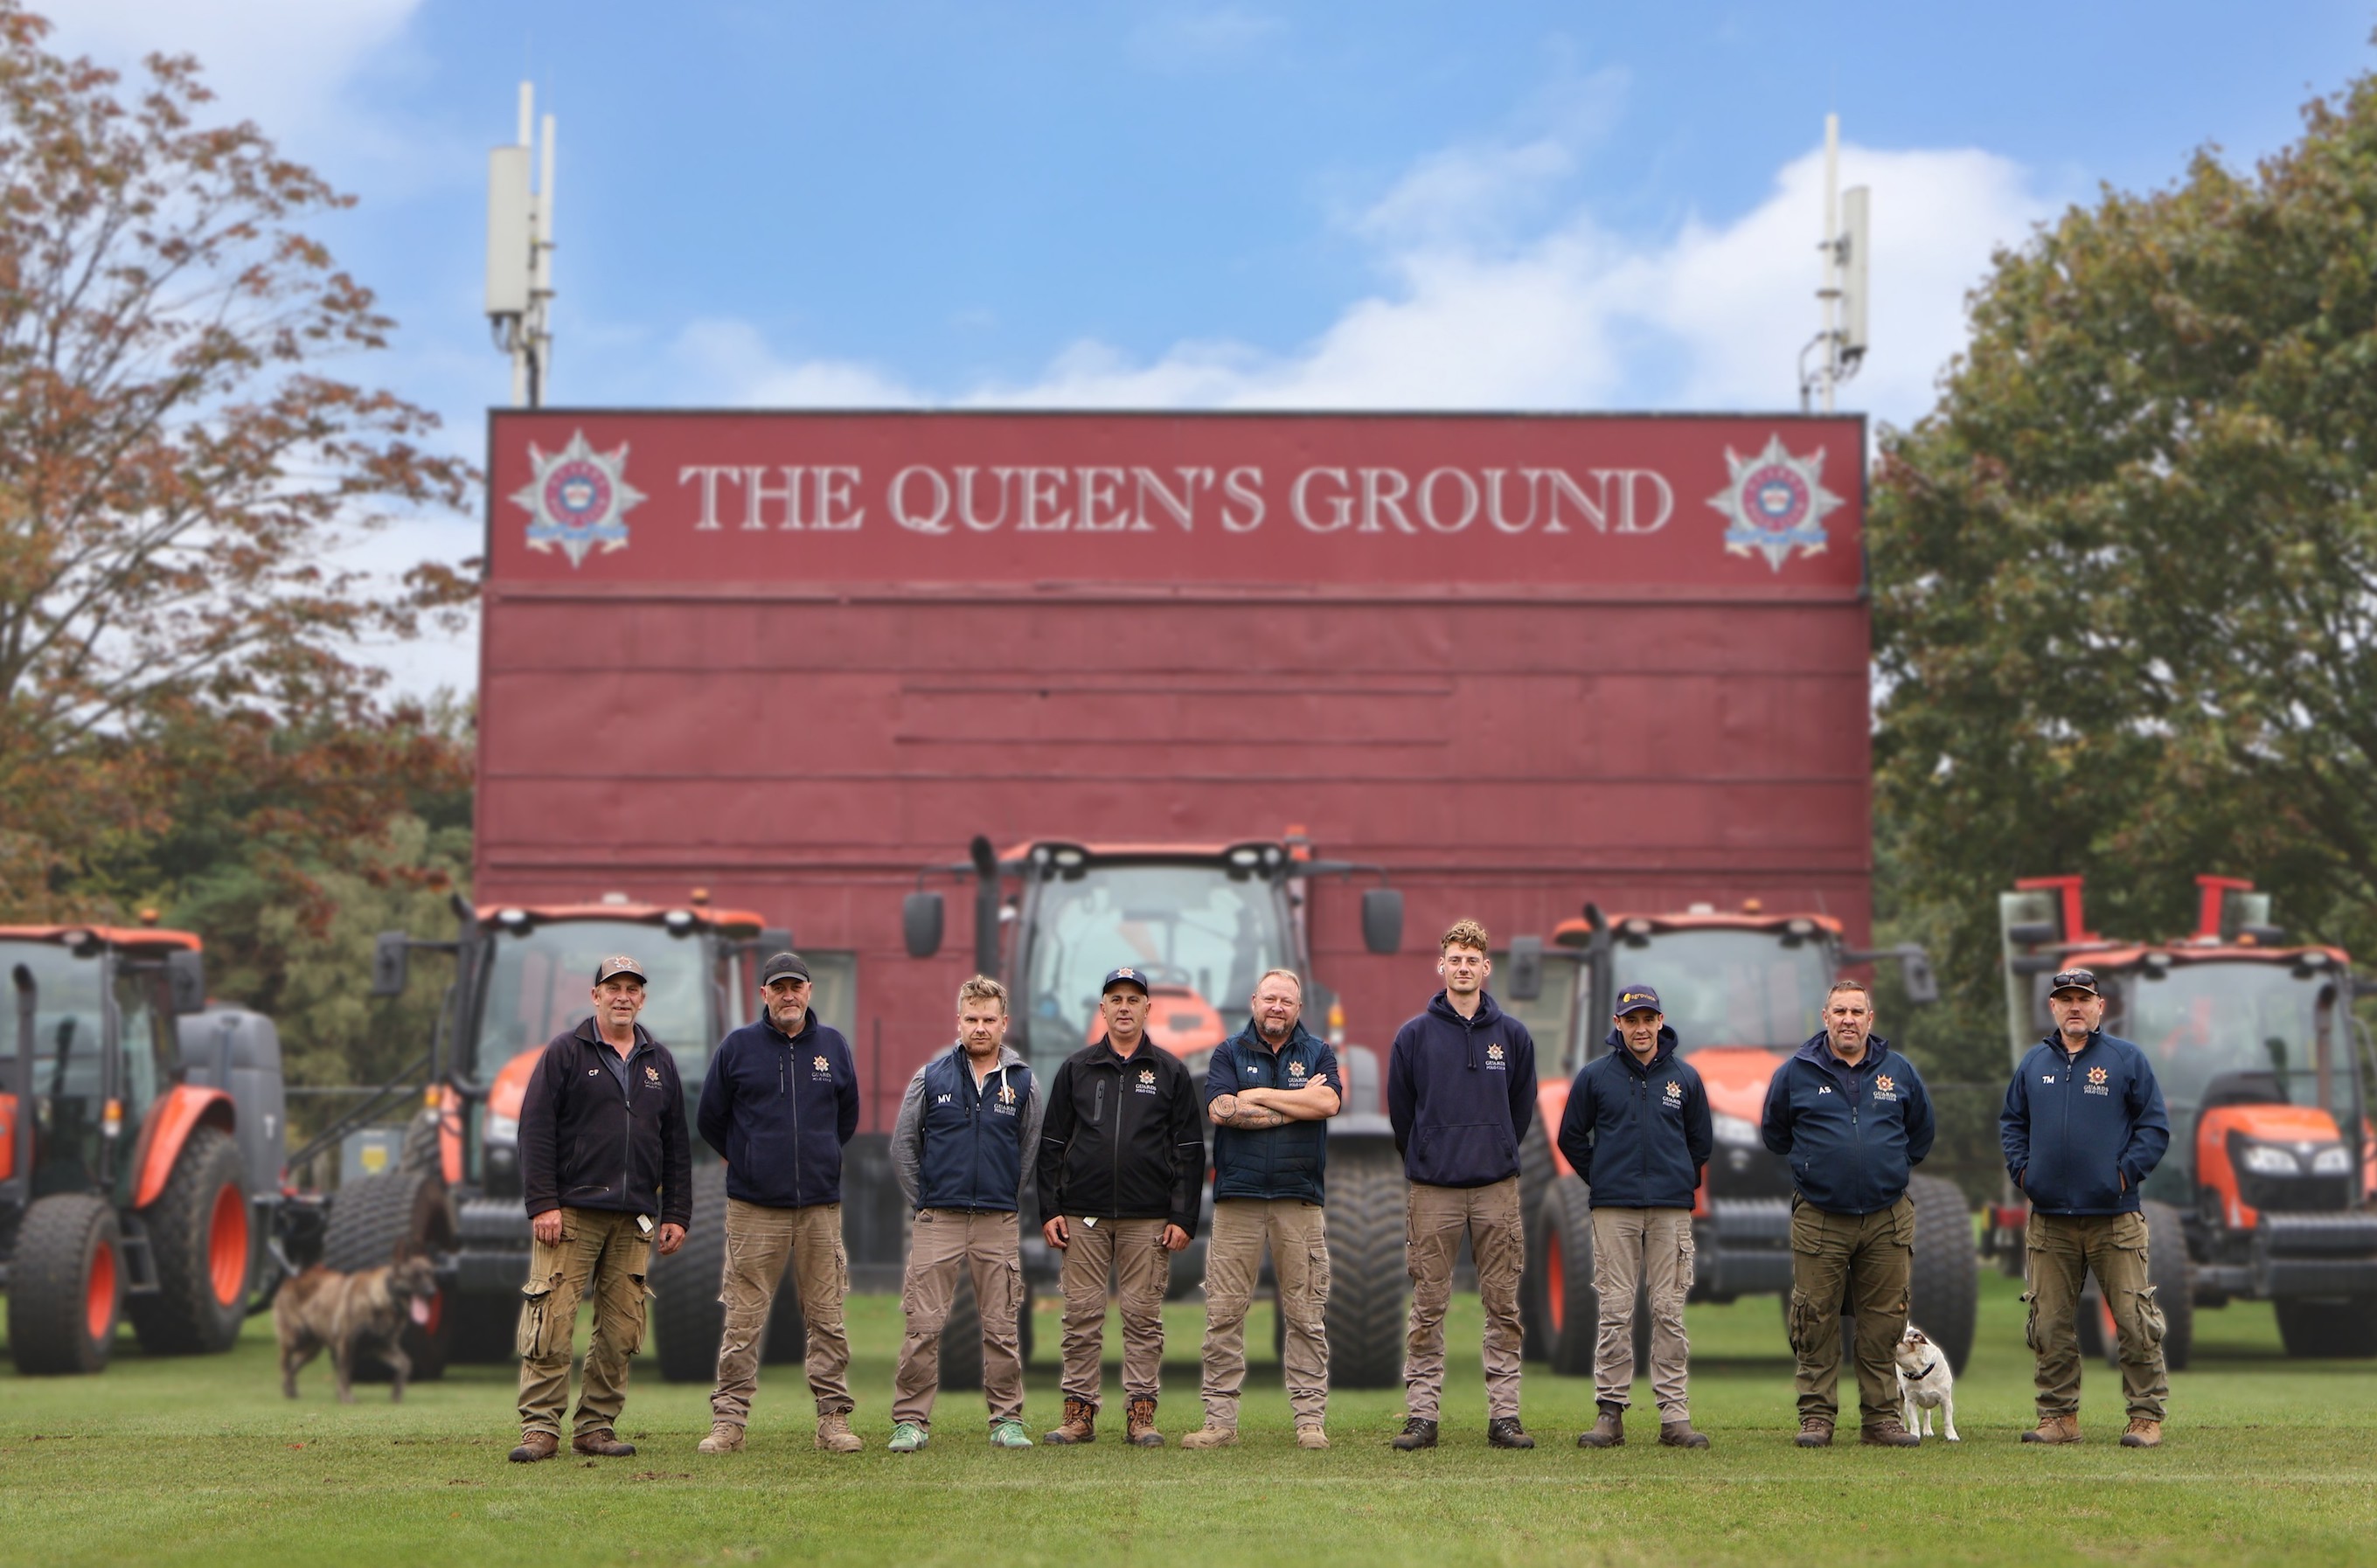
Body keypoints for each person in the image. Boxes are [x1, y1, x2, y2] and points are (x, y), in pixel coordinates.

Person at [510, 954, 690, 1463]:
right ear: (595, 996)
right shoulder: (565, 1053)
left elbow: (676, 1144)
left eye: (633, 988)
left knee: (621, 1328)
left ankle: (596, 1425)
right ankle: (540, 1428)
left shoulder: (660, 1062)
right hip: (570, 1215)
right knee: (553, 1322)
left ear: (642, 998)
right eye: (614, 988)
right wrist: (543, 1203)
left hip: (634, 1218)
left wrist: (676, 1213)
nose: (623, 996)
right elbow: (536, 1130)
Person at [692, 952, 862, 1455]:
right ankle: (729, 1422)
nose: (789, 995)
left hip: (818, 1208)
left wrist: (820, 1157)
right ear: (763, 994)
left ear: (810, 992)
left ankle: (833, 1420)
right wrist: (746, 1158)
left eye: (797, 986)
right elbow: (709, 1119)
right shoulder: (738, 1048)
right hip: (753, 1208)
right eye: (778, 987)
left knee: (827, 1317)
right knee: (743, 1319)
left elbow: (845, 1118)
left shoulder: (833, 1046)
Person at [2000, 966, 2172, 1448]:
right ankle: (2058, 1417)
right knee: (2049, 1323)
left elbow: (2154, 1127)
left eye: (2084, 998)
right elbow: (2012, 1123)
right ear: (2052, 1008)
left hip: (2115, 1219)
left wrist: (2122, 1174)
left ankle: (2145, 1418)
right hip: (2050, 1222)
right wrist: (2023, 1173)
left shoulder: (2125, 1059)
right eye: (2065, 999)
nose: (2074, 1006)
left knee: (2136, 1321)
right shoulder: (2034, 1064)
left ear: (2101, 1007)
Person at [1760, 978, 1936, 1448]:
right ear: (1825, 1017)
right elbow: (1776, 1135)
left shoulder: (1898, 1071)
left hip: (1886, 1218)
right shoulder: (1796, 1072)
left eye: (1857, 1012)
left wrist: (1885, 1168)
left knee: (1883, 1322)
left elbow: (1920, 1135)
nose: (1848, 1020)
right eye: (1840, 1012)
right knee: (1815, 1318)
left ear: (1870, 1019)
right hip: (1820, 1217)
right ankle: (1817, 1419)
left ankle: (1882, 1420)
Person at [1035, 966, 1204, 1447]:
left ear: (1149, 1008)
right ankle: (1078, 1413)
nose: (1125, 1007)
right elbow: (1051, 1144)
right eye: (1116, 999)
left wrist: (1183, 1215)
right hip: (1082, 1217)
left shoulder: (1171, 1071)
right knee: (1081, 1315)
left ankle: (1141, 1414)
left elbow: (1190, 1151)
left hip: (1148, 1218)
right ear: (1102, 1008)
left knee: (1142, 1316)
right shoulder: (1076, 1069)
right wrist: (1049, 1209)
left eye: (1134, 999)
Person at [1386, 918, 1538, 1451]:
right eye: (1456, 958)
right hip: (1433, 1189)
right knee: (1428, 1304)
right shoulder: (1414, 1036)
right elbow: (1402, 1115)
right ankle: (1422, 1416)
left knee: (1503, 1304)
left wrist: (1496, 1147)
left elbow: (1520, 1110)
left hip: (1496, 1186)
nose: (1464, 967)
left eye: (1473, 959)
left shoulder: (1513, 1036)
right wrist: (1428, 1154)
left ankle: (1505, 1416)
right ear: (1441, 965)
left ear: (1486, 967)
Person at [1182, 968, 1343, 1452]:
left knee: (1306, 1314)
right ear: (1254, 1001)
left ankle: (1310, 1420)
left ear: (1298, 1008)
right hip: (1239, 1203)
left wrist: (1257, 1096)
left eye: (1286, 1001)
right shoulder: (1228, 1052)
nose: (1277, 1007)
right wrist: (1298, 1102)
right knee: (1224, 1314)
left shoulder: (1319, 1053)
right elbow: (1221, 1111)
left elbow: (1330, 1102)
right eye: (1270, 998)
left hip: (1299, 1200)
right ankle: (1219, 1421)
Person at [885, 975, 1046, 1453]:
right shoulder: (929, 1077)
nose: (980, 1028)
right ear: (959, 1021)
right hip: (939, 1219)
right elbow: (902, 1148)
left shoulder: (1023, 1082)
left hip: (997, 1221)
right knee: (923, 1325)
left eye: (989, 1020)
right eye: (971, 1019)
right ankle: (911, 1421)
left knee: (1001, 1325)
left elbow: (1029, 1151)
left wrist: (1002, 1196)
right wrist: (928, 1200)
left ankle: (1007, 1420)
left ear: (1004, 1024)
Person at [1555, 984, 1713, 1450]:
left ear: (1660, 1022)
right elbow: (1571, 1137)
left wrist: (1678, 1178)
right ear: (1617, 1024)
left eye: (1648, 1019)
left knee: (1668, 1311)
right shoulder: (1594, 1077)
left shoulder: (1685, 1078)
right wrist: (1603, 1177)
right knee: (1615, 1310)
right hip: (1614, 1209)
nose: (1640, 1029)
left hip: (1670, 1210)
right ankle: (1610, 1412)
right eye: (1632, 1020)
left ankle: (1675, 1417)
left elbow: (1700, 1143)